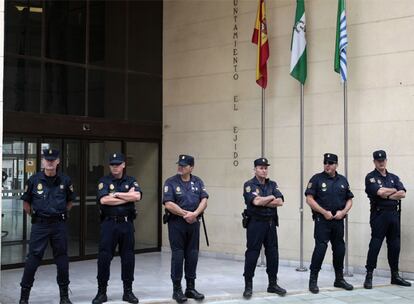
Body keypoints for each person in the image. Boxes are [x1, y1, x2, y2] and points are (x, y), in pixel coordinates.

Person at [19, 149, 75, 304]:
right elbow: (26, 202)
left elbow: (70, 201)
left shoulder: (65, 180)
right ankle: (24, 297)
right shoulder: (34, 180)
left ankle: (64, 296)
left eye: (53, 160)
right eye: (47, 159)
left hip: (59, 225)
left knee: (62, 258)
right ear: (42, 161)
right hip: (40, 225)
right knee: (33, 259)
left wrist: (61, 213)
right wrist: (36, 217)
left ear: (58, 161)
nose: (50, 162)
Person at [92, 153, 142, 304]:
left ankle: (128, 291)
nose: (115, 167)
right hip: (109, 224)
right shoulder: (104, 181)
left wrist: (117, 194)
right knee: (104, 258)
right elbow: (104, 200)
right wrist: (126, 196)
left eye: (118, 164)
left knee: (128, 258)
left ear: (123, 165)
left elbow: (137, 197)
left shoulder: (131, 180)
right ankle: (101, 292)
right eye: (112, 164)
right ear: (109, 166)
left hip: (126, 225)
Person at [305, 153, 353, 294]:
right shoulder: (316, 179)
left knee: (339, 249)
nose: (327, 165)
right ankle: (313, 280)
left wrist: (343, 212)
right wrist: (323, 212)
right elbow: (309, 199)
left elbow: (349, 199)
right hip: (322, 220)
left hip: (338, 220)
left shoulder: (343, 180)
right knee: (320, 248)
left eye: (331, 163)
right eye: (325, 162)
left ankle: (339, 279)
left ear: (336, 165)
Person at [163, 154, 208, 303]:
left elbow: (204, 199)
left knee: (192, 255)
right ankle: (177, 290)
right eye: (179, 164)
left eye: (184, 165)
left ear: (191, 167)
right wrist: (185, 214)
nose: (180, 167)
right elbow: (168, 203)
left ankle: (190, 287)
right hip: (177, 223)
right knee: (178, 255)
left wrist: (195, 214)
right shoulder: (170, 182)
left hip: (194, 223)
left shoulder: (198, 181)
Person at [363, 150, 411, 289]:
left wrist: (387, 194)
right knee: (375, 245)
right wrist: (393, 191)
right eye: (378, 160)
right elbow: (378, 192)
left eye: (383, 160)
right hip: (379, 215)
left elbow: (402, 193)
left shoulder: (393, 177)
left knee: (395, 246)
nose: (381, 162)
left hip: (393, 215)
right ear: (374, 162)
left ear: (386, 160)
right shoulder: (370, 177)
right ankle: (369, 275)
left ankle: (395, 276)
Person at [242, 157, 286, 299]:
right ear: (255, 169)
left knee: (273, 254)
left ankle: (272, 284)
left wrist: (264, 200)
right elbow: (255, 201)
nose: (264, 170)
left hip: (271, 223)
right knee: (252, 254)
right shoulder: (249, 185)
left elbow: (280, 202)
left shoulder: (272, 184)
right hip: (256, 223)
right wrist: (271, 197)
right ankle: (248, 285)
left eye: (266, 168)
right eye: (261, 168)